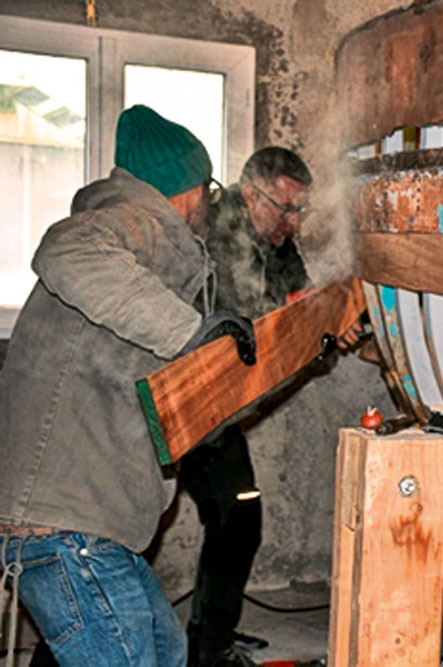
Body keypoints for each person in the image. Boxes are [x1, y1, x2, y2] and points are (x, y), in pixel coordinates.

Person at [0, 105, 254, 666]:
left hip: (90, 531)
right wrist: (190, 332)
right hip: (69, 529)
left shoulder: (145, 248)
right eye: (209, 191)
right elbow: (64, 249)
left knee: (165, 655)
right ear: (192, 189)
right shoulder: (139, 223)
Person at [180, 147, 361, 667]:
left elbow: (299, 298)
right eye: (286, 209)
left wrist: (329, 318)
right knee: (236, 514)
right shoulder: (215, 229)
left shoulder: (277, 242)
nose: (295, 222)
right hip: (191, 390)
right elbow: (240, 315)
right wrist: (303, 314)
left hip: (219, 406)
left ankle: (210, 639)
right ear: (250, 193)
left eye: (301, 209)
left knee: (236, 515)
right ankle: (209, 649)